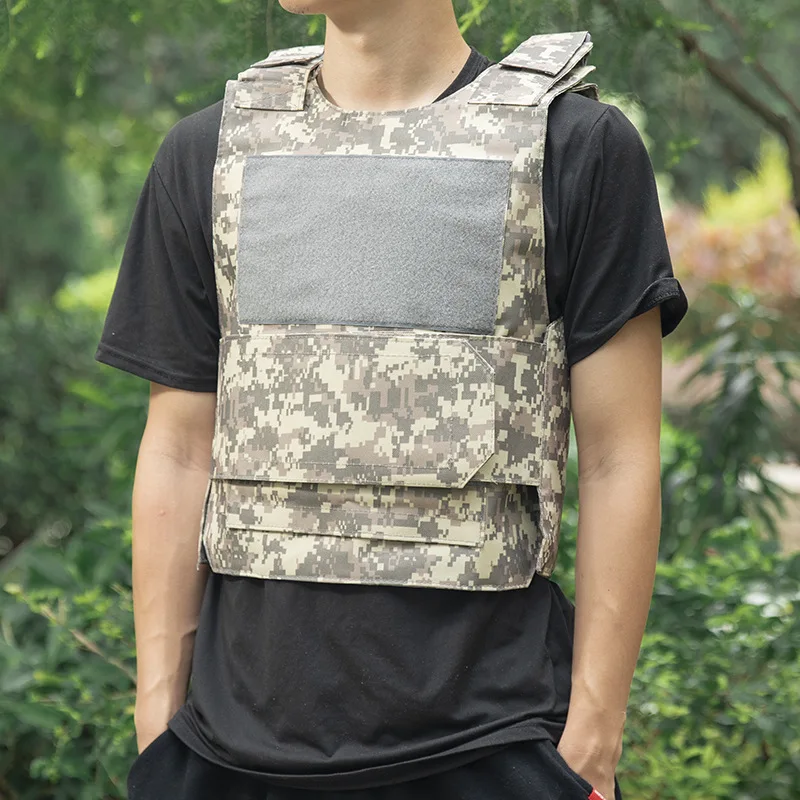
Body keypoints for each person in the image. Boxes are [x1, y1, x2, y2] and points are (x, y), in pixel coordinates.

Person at [96, 1, 688, 798]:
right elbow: (176, 450)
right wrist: (157, 723)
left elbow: (619, 459)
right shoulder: (207, 154)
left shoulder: (574, 149)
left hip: (492, 748)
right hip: (227, 753)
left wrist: (592, 743)